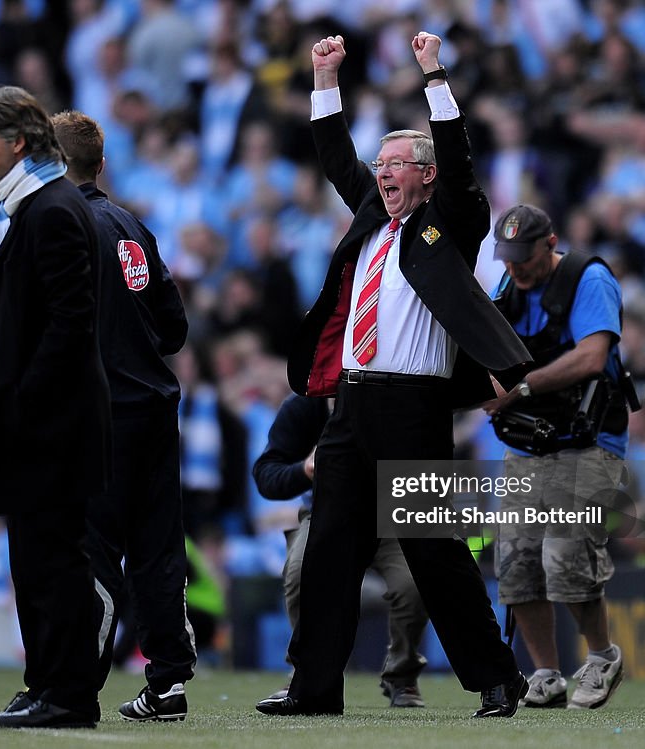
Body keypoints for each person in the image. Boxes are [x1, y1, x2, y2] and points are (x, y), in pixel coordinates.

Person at [255, 32, 531, 719]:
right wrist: (324, 76)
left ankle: (499, 679)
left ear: (427, 175)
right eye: (380, 163)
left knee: (435, 551)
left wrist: (433, 72)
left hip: (414, 406)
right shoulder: (372, 216)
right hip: (350, 406)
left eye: (397, 163)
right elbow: (330, 154)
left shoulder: (452, 222)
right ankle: (312, 688)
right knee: (328, 553)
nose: (382, 172)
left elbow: (460, 155)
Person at [0, 86, 111, 730]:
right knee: (35, 561)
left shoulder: (51, 211)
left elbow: (70, 325)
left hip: (53, 426)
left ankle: (68, 695)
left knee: (53, 562)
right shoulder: (30, 209)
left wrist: (23, 403)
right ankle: (45, 683)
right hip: (40, 421)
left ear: (17, 142)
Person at [51, 110, 196, 723]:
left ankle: (75, 686)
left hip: (99, 412)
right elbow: (175, 328)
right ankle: (167, 683)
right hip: (155, 409)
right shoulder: (132, 223)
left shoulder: (58, 224)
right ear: (100, 163)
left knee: (92, 549)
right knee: (157, 549)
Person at [482, 203, 632, 710]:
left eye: (524, 257)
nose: (516, 268)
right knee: (517, 564)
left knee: (566, 555)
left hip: (590, 444)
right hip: (528, 446)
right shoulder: (508, 290)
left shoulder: (587, 278)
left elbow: (592, 357)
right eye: (508, 258)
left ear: (550, 245)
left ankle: (603, 657)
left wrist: (519, 389)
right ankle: (545, 675)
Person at [253, 393, 429, 708]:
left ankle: (402, 674)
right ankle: (308, 671)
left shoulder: (394, 396)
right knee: (299, 571)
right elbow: (266, 475)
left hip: (393, 514)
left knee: (414, 582)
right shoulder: (303, 406)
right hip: (327, 513)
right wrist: (304, 470)